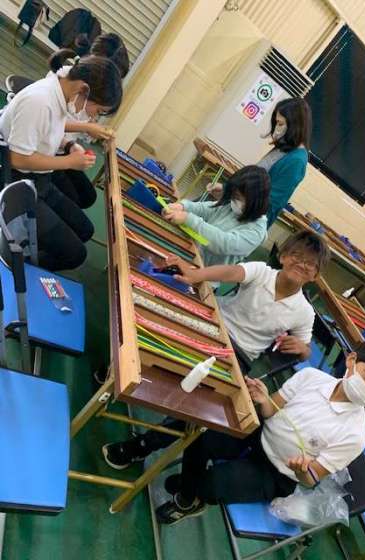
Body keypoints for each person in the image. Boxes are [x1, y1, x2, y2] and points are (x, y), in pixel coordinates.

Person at [101, 230, 330, 469]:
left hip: (239, 355)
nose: (302, 264)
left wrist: (302, 348)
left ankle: (142, 446)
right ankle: (114, 373)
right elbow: (232, 272)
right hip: (214, 325)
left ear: (315, 275)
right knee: (158, 334)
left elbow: (305, 349)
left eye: (310, 264)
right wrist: (196, 275)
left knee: (197, 406)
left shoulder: (304, 312)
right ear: (283, 256)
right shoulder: (262, 272)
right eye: (297, 256)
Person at [154, 340, 365, 524]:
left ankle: (192, 495)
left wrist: (301, 470)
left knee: (211, 483)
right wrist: (264, 398)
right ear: (351, 360)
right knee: (201, 436)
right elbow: (270, 412)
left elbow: (310, 479)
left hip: (277, 474)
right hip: (258, 435)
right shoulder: (311, 377)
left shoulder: (355, 435)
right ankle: (189, 493)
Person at [0, 50, 123, 271]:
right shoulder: (40, 101)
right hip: (19, 185)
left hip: (40, 180)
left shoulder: (60, 91)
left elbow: (50, 127)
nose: (94, 116)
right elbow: (17, 159)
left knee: (85, 230)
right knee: (75, 255)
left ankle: (25, 246)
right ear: (84, 89)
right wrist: (69, 162)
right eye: (98, 110)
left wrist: (68, 145)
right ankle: (12, 258)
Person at [208, 98, 311, 228]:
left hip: (247, 222)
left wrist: (236, 200)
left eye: (280, 123)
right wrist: (226, 189)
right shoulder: (283, 148)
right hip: (238, 210)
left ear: (295, 125)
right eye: (276, 122)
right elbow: (252, 180)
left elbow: (272, 202)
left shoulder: (296, 161)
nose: (276, 128)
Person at [52, 35, 129, 209]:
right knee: (73, 201)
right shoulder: (66, 80)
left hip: (62, 147)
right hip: (49, 150)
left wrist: (92, 130)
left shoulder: (91, 94)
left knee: (87, 197)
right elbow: (49, 123)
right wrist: (86, 128)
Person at [162, 165, 270, 270]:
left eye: (237, 197)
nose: (233, 200)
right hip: (191, 253)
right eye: (233, 195)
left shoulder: (256, 231)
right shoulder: (231, 206)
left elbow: (223, 243)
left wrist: (188, 219)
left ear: (254, 200)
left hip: (202, 273)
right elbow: (205, 209)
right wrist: (182, 206)